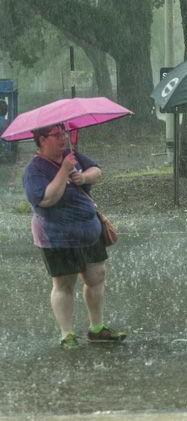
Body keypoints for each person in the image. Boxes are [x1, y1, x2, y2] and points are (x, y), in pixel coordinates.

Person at [23, 123, 126, 349]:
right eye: (57, 135)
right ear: (42, 139)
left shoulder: (72, 155)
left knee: (97, 275)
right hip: (57, 236)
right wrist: (63, 171)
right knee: (64, 283)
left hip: (88, 231)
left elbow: (97, 171)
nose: (63, 138)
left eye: (64, 133)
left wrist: (83, 177)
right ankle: (67, 334)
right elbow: (46, 199)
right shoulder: (34, 170)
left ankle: (97, 328)